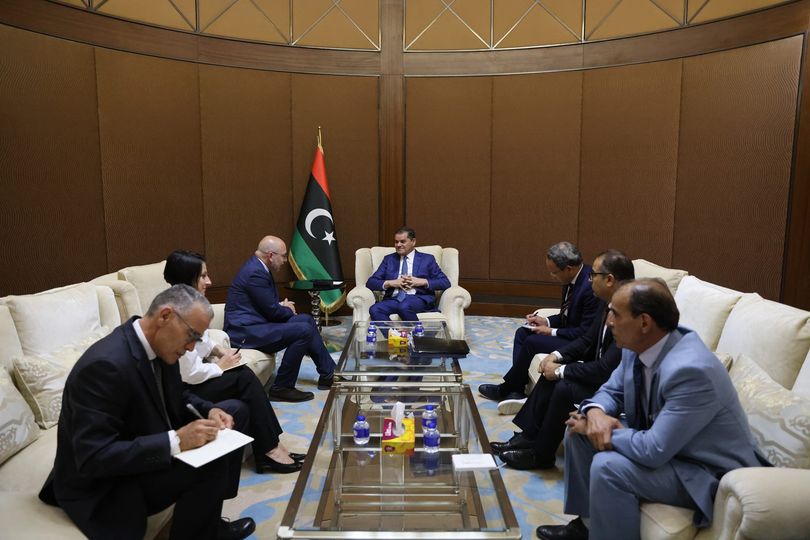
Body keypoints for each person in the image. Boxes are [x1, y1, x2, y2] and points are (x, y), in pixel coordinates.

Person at [535, 279, 768, 540]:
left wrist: (599, 429)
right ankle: (587, 526)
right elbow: (611, 391)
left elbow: (654, 449)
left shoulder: (691, 371)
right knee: (577, 434)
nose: (608, 322)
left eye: (615, 314)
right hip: (672, 450)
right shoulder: (636, 346)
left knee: (607, 466)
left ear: (644, 322)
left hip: (706, 471)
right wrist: (596, 414)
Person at [38, 285, 256, 540]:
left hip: (142, 443)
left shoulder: (161, 345)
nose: (191, 348)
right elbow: (94, 457)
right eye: (191, 336)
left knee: (235, 412)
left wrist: (210, 410)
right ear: (165, 316)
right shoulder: (105, 366)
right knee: (209, 465)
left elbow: (179, 395)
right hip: (104, 482)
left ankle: (210, 523)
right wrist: (177, 441)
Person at [491, 250, 635, 470]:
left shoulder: (629, 314)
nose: (589, 279)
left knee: (563, 386)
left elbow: (605, 370)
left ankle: (542, 455)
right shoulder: (607, 303)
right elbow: (587, 340)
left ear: (609, 280)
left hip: (615, 390)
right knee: (551, 377)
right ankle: (528, 438)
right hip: (599, 374)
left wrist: (560, 370)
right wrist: (556, 356)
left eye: (593, 275)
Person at [164, 250, 304, 474]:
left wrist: (220, 350)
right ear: (187, 278)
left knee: (242, 380)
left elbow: (203, 340)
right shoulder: (174, 313)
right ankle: (270, 450)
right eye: (203, 276)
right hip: (184, 390)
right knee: (243, 377)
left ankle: (272, 447)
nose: (209, 281)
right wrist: (220, 367)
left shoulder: (188, 301)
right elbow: (188, 373)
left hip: (193, 381)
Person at [479, 241, 601, 405]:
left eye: (554, 272)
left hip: (581, 344)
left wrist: (551, 331)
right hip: (571, 334)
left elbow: (585, 333)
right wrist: (546, 321)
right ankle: (517, 389)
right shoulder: (571, 279)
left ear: (568, 269)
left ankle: (506, 389)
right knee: (523, 333)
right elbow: (568, 315)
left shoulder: (590, 288)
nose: (551, 276)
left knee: (533, 342)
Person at [224, 235, 336, 403]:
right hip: (245, 332)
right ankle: (282, 387)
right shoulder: (255, 273)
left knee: (306, 320)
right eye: (283, 256)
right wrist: (286, 309)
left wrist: (280, 306)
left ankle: (328, 374)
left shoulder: (258, 267)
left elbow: (264, 304)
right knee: (304, 330)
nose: (284, 261)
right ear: (271, 255)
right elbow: (273, 313)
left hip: (256, 324)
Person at [366, 226, 451, 322]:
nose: (398, 245)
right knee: (375, 309)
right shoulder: (389, 259)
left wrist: (422, 282)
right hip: (394, 300)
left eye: (402, 241)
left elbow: (445, 282)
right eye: (396, 242)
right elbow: (371, 283)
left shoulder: (427, 259)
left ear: (413, 241)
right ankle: (394, 332)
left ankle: (418, 332)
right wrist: (391, 283)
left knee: (404, 306)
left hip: (418, 298)